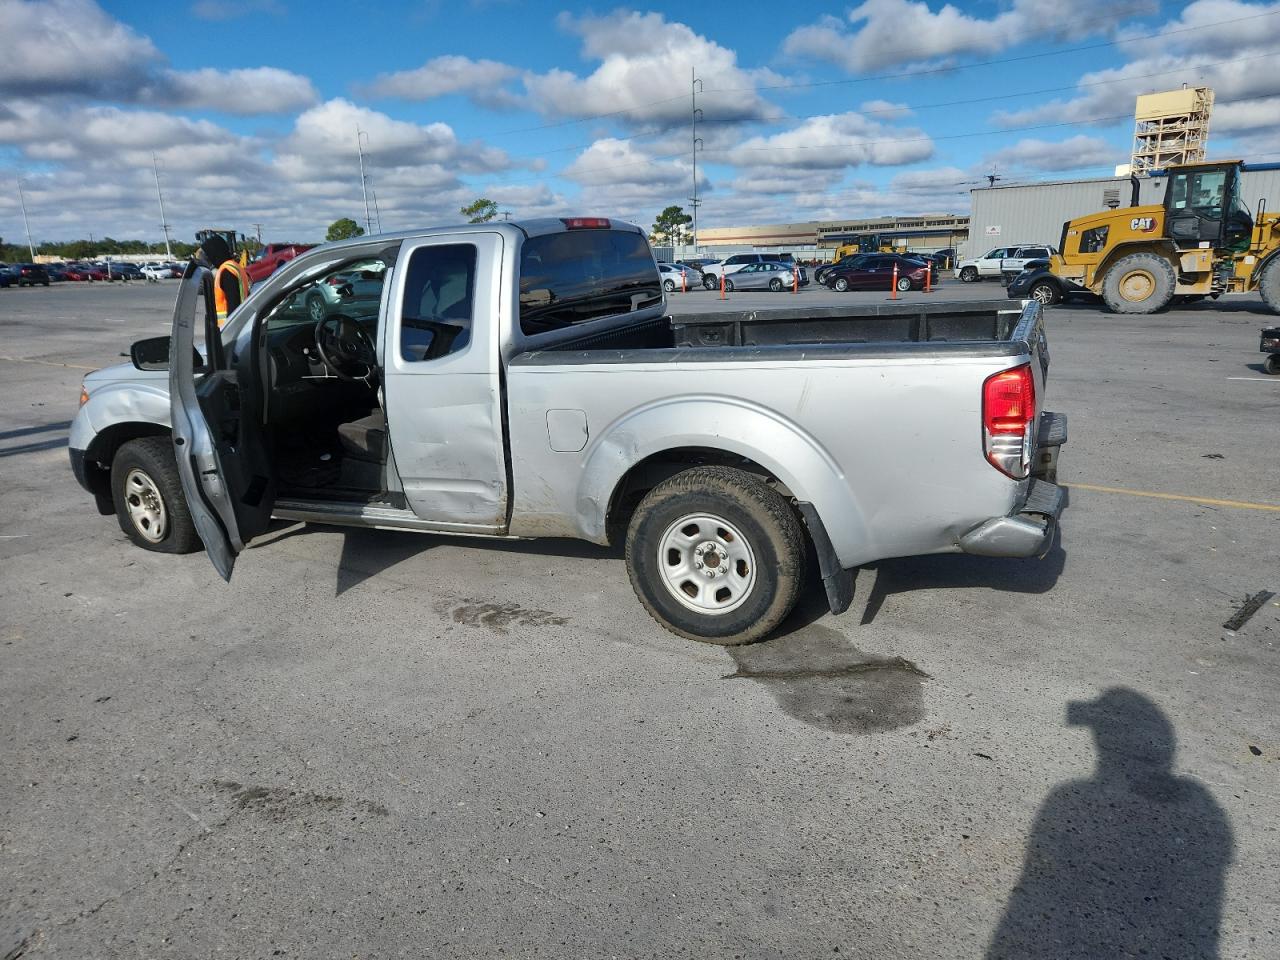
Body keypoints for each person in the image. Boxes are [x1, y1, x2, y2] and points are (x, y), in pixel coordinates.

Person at [197, 235, 250, 327]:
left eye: (209, 255)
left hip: (228, 327)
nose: (209, 259)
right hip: (241, 320)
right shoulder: (235, 266)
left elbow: (233, 304)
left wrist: (229, 329)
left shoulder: (226, 271)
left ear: (215, 253)